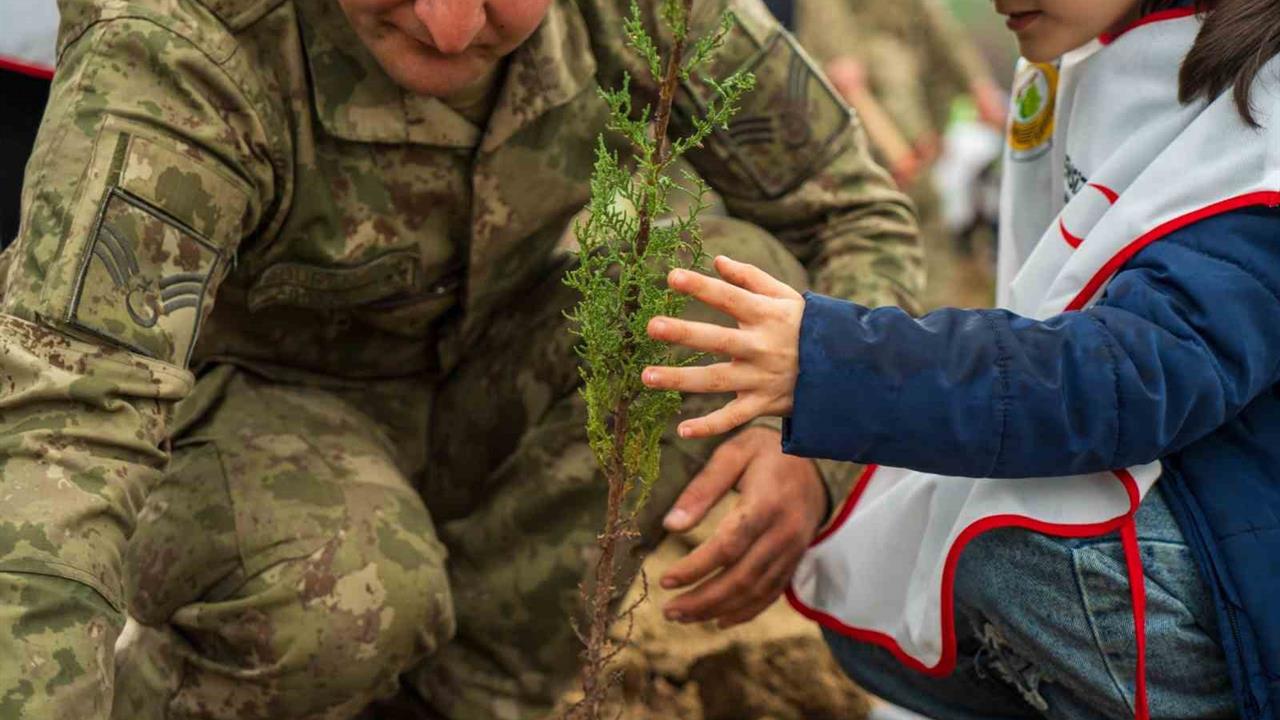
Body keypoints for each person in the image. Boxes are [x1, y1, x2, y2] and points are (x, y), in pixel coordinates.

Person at [0, 0, 922, 718]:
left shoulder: (652, 15)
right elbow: (70, 421)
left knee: (720, 295)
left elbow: (852, 212)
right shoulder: (183, 42)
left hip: (484, 388)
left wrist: (818, 447)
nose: (448, 24)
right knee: (343, 593)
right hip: (236, 415)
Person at [643, 0, 1280, 717]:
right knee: (873, 529)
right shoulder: (1109, 61)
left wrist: (830, 363)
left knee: (1014, 543)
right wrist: (824, 457)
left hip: (1243, 553)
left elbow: (1132, 378)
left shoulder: (1261, 121)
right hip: (1204, 495)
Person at [796, 0, 1007, 309]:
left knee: (926, 229)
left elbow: (941, 32)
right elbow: (842, 66)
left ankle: (928, 321)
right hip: (860, 130)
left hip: (909, 134)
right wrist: (891, 147)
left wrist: (978, 86)